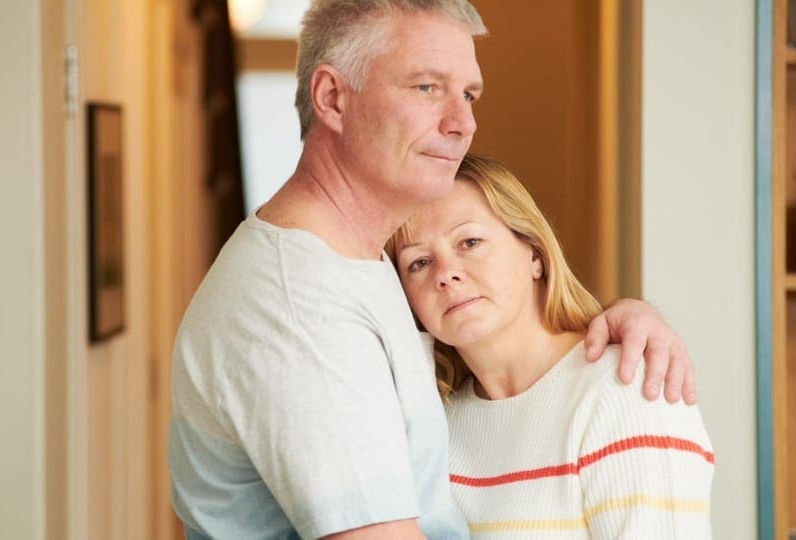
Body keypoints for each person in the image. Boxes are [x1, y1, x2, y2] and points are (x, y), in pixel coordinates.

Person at [168, 1, 696, 538]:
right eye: (426, 88)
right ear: (332, 98)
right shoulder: (301, 305)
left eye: (468, 94)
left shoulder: (356, 262)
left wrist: (626, 316)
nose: (463, 122)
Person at [388, 154, 714, 538]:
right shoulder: (435, 428)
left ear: (535, 255)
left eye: (470, 242)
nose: (446, 273)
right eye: (419, 263)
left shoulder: (624, 389)